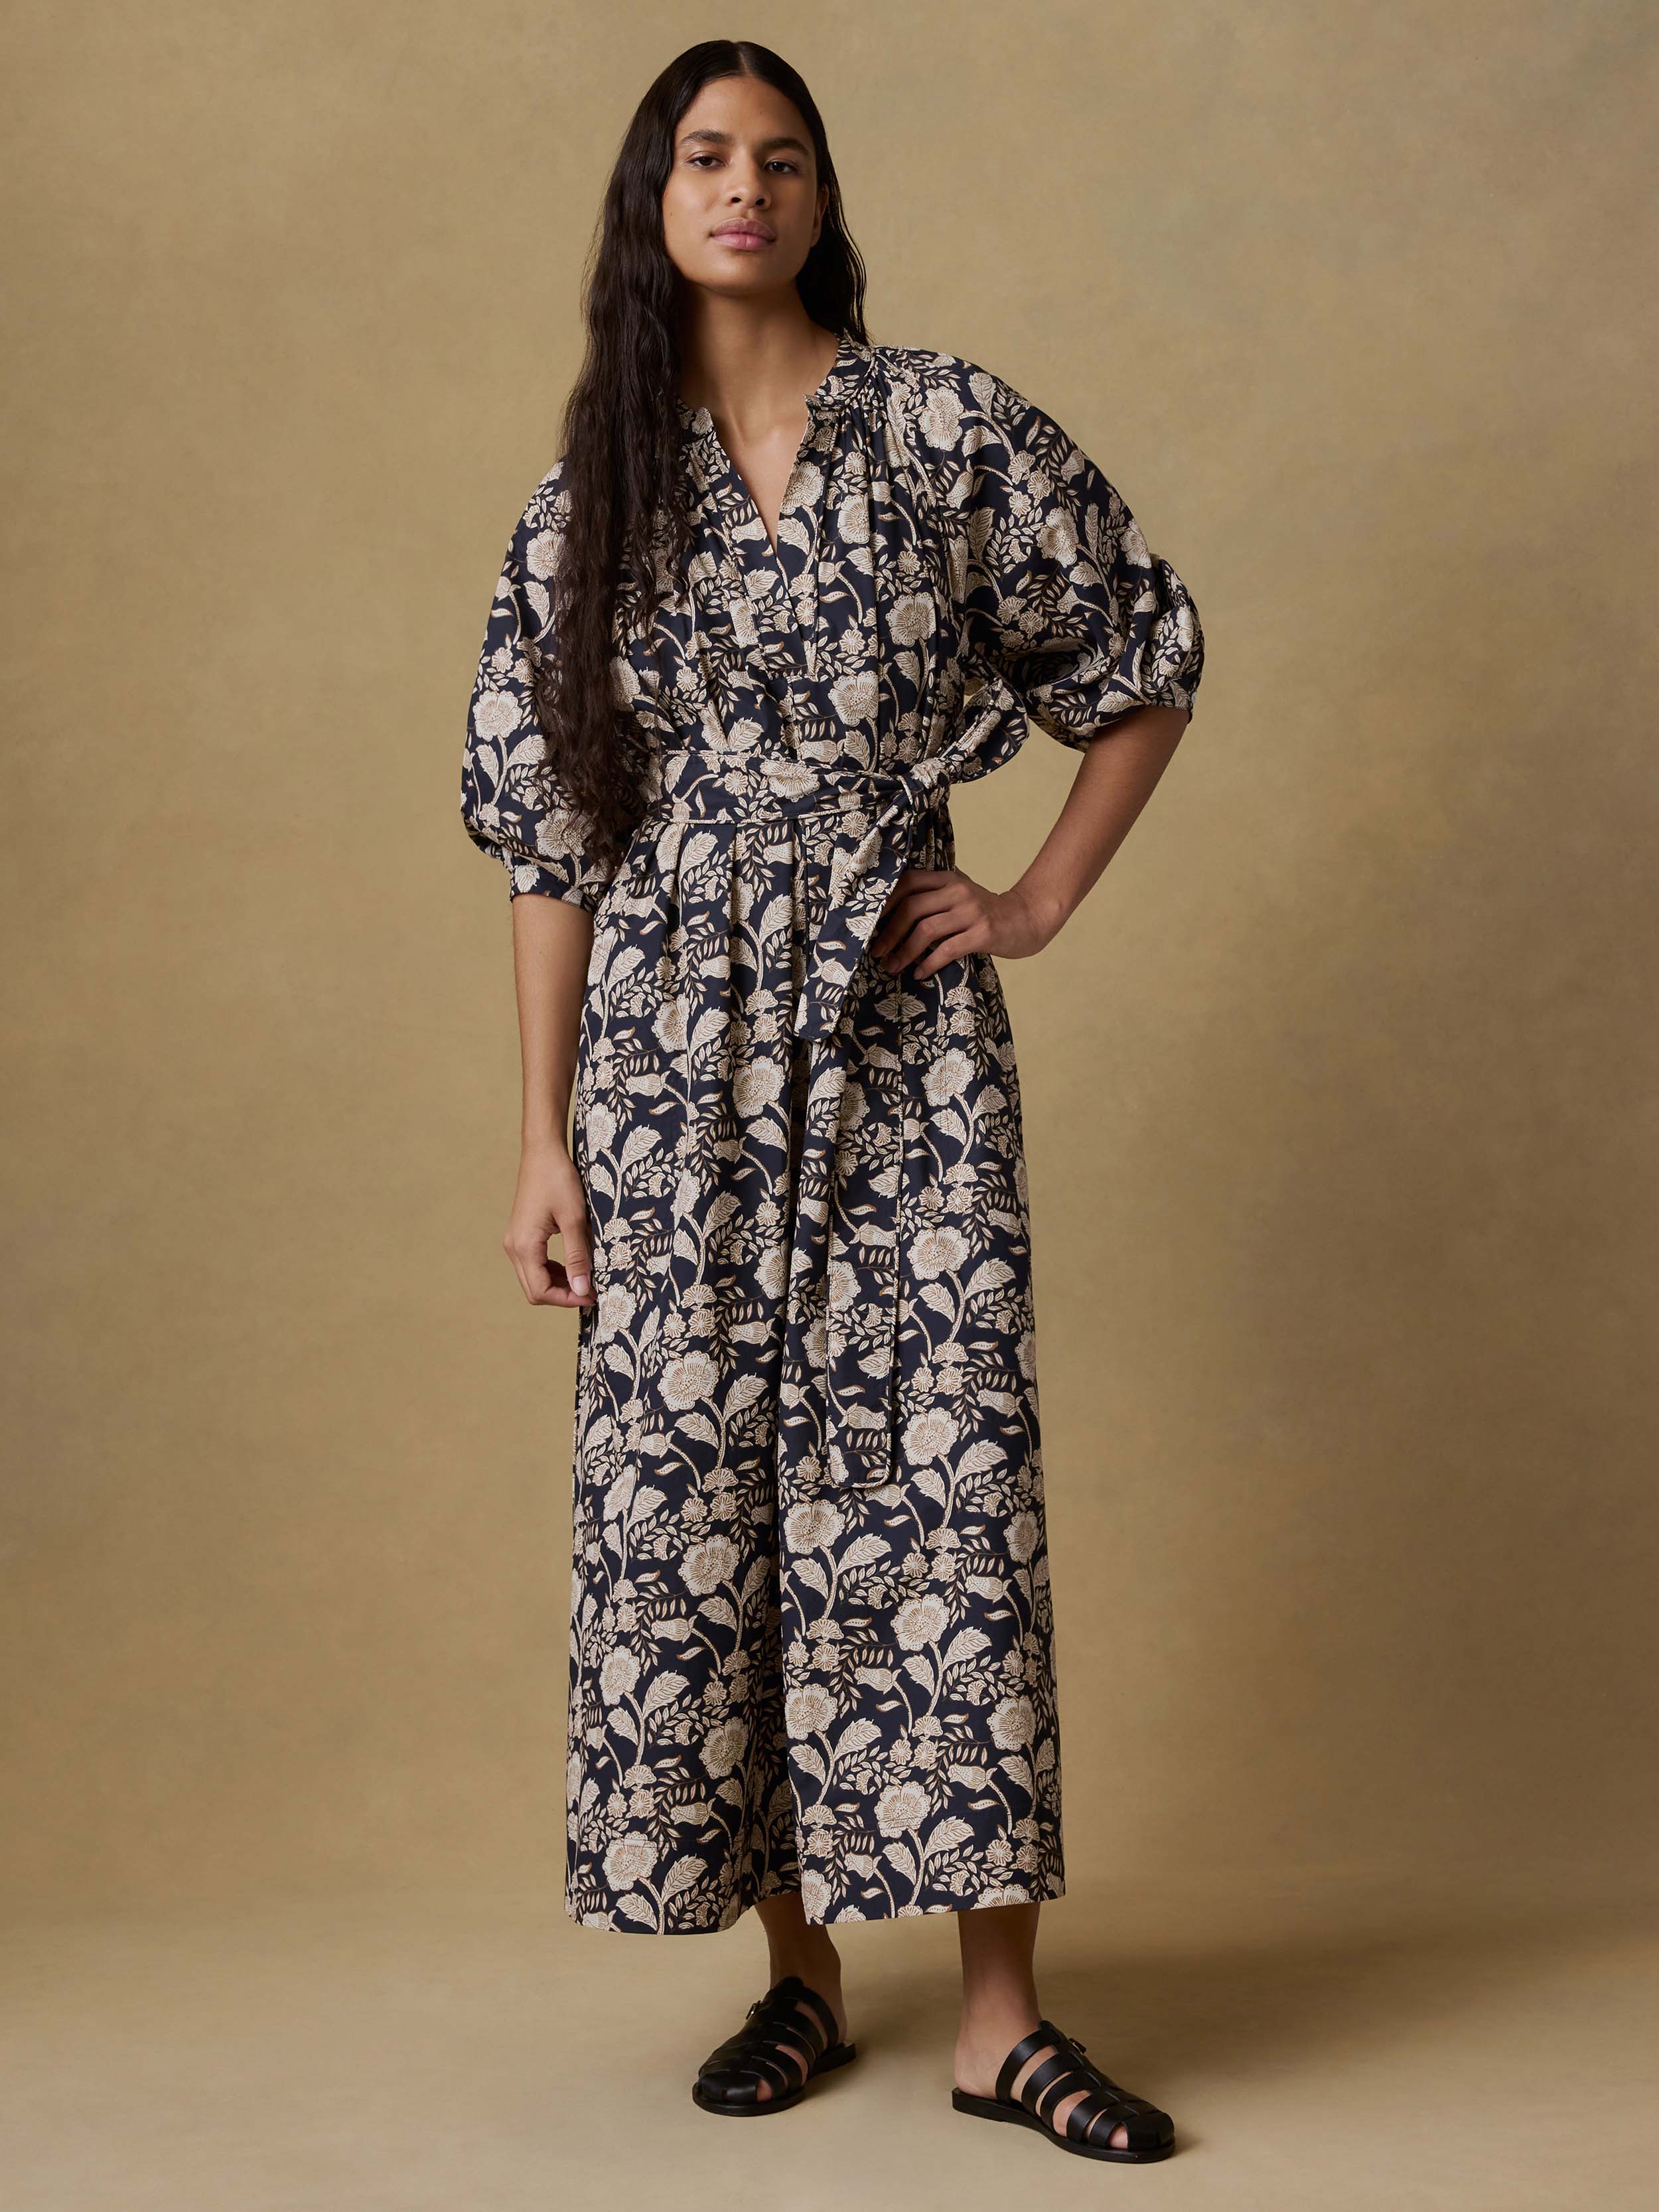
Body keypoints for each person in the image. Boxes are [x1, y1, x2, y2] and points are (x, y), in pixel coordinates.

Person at [459, 38, 1203, 2166]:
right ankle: (797, 1976)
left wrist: (1032, 900)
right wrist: (541, 1141)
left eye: (781, 158)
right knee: (715, 1506)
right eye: (706, 156)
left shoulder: (943, 426)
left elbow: (1141, 654)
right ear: (654, 197)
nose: (746, 188)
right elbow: (546, 839)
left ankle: (998, 2022)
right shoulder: (593, 498)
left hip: (898, 1045)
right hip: (669, 1069)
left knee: (937, 1497)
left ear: (819, 198)